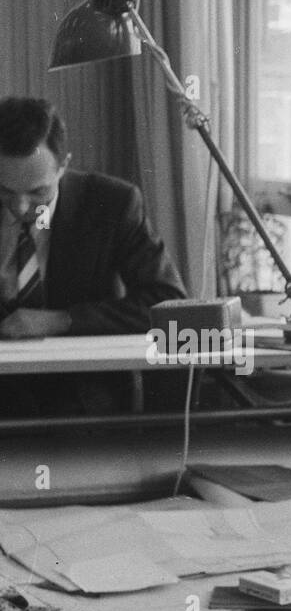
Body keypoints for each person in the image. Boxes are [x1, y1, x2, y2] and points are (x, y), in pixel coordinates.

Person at [0, 96, 187, 414]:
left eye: (37, 192)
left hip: (79, 385)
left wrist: (62, 320)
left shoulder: (112, 203)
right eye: (4, 189)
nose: (19, 207)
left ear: (64, 165)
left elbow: (166, 301)